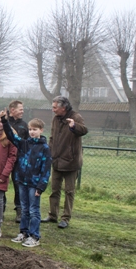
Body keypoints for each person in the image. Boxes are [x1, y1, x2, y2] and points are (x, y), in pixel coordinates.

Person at [0, 116, 52, 247]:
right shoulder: (24, 144)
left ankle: (35, 236)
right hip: (22, 182)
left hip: (34, 185)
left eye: (34, 129)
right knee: (24, 209)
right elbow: (11, 136)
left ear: (41, 130)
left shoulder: (45, 148)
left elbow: (46, 169)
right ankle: (24, 232)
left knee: (34, 210)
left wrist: (41, 186)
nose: (32, 132)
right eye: (30, 129)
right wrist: (4, 121)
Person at [42, 96, 88, 229]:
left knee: (69, 191)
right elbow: (52, 137)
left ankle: (66, 218)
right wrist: (49, 153)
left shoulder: (76, 117)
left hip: (71, 162)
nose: (53, 110)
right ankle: (52, 215)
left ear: (64, 107)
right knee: (54, 190)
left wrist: (74, 126)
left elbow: (84, 130)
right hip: (56, 160)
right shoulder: (55, 119)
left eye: (55, 107)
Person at [6, 100, 28, 223]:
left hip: (19, 160)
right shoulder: (4, 123)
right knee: (1, 182)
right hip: (5, 158)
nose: (22, 111)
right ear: (12, 110)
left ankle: (19, 210)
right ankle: (0, 209)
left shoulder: (24, 125)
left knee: (18, 185)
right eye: (20, 109)